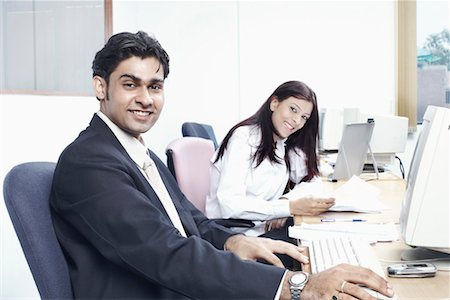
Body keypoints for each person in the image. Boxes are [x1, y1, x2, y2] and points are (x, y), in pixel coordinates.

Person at [50, 31, 395, 299]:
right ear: (100, 87)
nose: (145, 98)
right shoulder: (90, 162)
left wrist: (232, 242)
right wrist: (295, 285)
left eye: (155, 86)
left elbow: (192, 221)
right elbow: (164, 252)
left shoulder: (138, 153)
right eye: (130, 85)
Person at [205, 81, 335, 238]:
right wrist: (287, 208)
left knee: (320, 233)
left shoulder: (283, 144)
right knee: (311, 244)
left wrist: (286, 200)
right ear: (274, 103)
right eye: (293, 109)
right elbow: (230, 205)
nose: (297, 121)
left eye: (304, 117)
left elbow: (313, 182)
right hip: (236, 236)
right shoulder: (243, 139)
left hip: (262, 229)